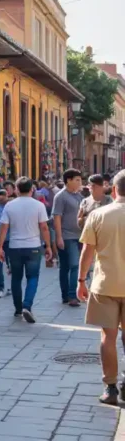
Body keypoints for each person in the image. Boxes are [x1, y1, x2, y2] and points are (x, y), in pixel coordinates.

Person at [77, 170, 125, 405]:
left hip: (105, 284)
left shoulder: (98, 214)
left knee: (108, 337)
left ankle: (110, 387)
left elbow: (87, 251)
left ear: (113, 190)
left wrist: (81, 281)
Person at [0, 177, 54, 324]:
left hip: (15, 247)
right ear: (32, 189)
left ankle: (18, 309)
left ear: (16, 189)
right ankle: (27, 305)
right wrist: (48, 246)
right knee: (33, 277)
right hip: (33, 246)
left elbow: (3, 228)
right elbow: (44, 227)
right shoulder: (38, 206)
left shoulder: (9, 206)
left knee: (16, 278)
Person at [52, 169, 85, 307]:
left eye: (80, 180)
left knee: (65, 266)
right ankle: (72, 296)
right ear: (68, 180)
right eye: (77, 180)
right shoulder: (60, 197)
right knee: (74, 265)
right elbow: (57, 217)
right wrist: (58, 237)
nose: (79, 182)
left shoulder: (79, 196)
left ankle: (65, 295)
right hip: (67, 236)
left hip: (80, 235)